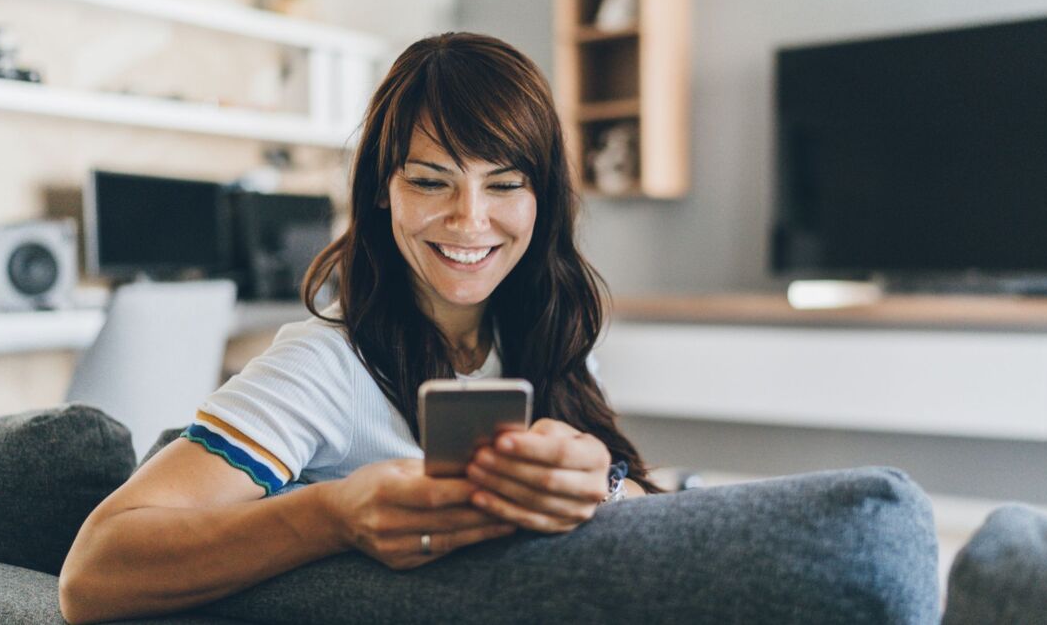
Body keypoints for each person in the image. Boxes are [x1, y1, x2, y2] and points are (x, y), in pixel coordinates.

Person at [58, 32, 660, 624]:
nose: (470, 220)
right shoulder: (326, 364)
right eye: (430, 181)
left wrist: (598, 486)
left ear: (541, 198)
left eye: (504, 185)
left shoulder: (553, 336)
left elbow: (642, 509)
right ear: (381, 190)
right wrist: (333, 516)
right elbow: (91, 573)